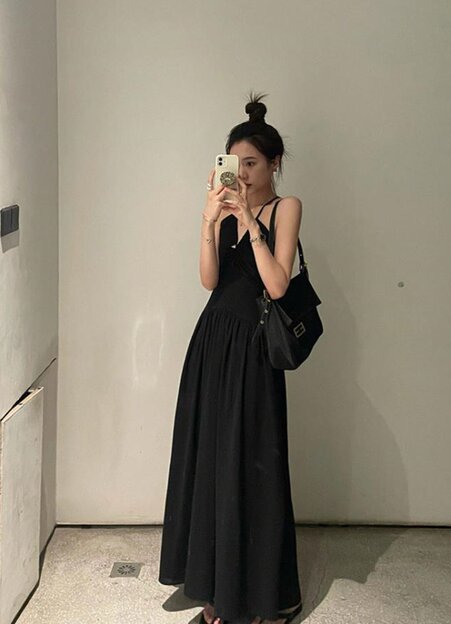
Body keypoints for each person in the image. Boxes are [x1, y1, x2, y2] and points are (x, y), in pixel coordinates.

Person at [158, 91, 303, 624]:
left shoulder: (285, 208)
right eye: (235, 163)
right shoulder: (222, 211)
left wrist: (248, 218)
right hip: (212, 344)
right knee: (213, 465)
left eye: (252, 164)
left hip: (254, 350)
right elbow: (209, 281)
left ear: (274, 163)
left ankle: (263, 598)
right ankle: (217, 590)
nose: (242, 173)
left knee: (255, 467)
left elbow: (278, 285)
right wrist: (208, 220)